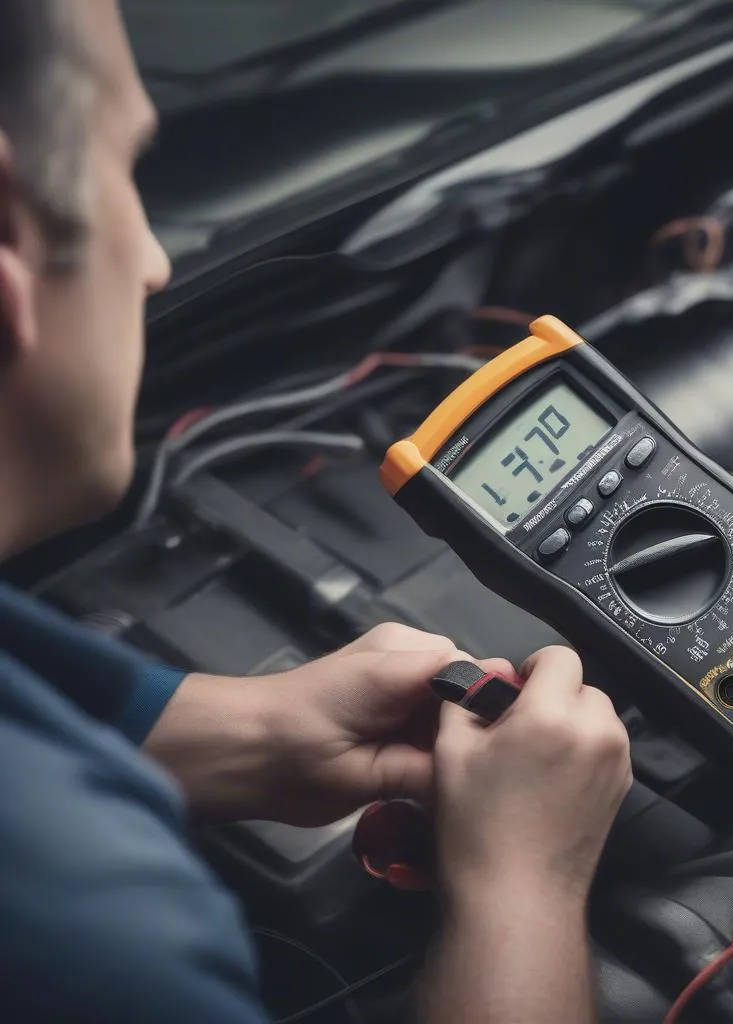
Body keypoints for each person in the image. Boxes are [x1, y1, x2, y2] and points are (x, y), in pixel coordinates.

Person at [0, 3, 634, 1022]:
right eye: (127, 172)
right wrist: (526, 888)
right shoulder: (89, 930)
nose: (155, 261)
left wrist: (253, 736)